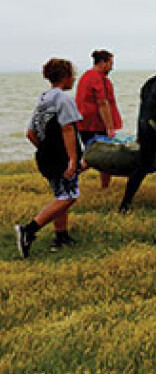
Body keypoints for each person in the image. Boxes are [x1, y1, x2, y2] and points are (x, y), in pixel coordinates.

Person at [16, 59, 86, 258]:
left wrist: (45, 149)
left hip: (46, 158)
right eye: (72, 74)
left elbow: (30, 133)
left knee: (60, 195)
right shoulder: (64, 99)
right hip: (62, 158)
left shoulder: (43, 99)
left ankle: (61, 236)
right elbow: (68, 129)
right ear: (65, 77)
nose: (74, 78)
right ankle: (28, 230)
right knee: (69, 196)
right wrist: (73, 159)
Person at [119, 55, 156, 212]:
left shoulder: (147, 84)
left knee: (141, 168)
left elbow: (142, 111)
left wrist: (139, 132)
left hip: (146, 131)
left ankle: (125, 203)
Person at [75, 49, 122, 188]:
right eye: (110, 63)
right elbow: (102, 103)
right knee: (96, 157)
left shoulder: (86, 76)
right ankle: (68, 176)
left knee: (102, 156)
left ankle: (105, 186)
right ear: (102, 63)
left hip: (84, 124)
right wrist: (109, 127)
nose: (112, 67)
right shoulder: (97, 77)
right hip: (95, 125)